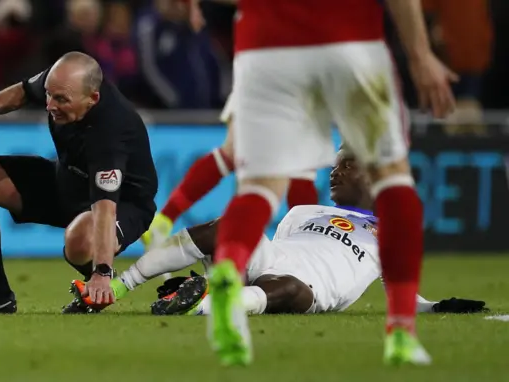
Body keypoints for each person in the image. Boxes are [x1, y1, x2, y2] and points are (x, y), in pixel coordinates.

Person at [185, 0, 458, 366]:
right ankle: (401, 330)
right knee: (393, 183)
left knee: (259, 186)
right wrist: (421, 55)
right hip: (348, 41)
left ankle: (229, 275)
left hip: (268, 46)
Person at [70, 149, 487, 318]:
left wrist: (438, 307)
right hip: (274, 261)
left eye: (347, 165)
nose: (334, 171)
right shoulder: (306, 210)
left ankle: (204, 301)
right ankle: (118, 288)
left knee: (284, 288)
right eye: (336, 163)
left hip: (312, 287)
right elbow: (268, 246)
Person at [0, 52, 158, 314]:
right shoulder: (62, 81)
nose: (50, 105)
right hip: (65, 182)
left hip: (124, 204)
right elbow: (24, 91)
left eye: (61, 99)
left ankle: (99, 288)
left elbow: (105, 207)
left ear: (93, 98)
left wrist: (102, 271)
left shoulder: (111, 130)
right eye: (49, 95)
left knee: (79, 241)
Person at [140, 94, 319, 252]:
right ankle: (305, 247)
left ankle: (305, 246)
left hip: (272, 72)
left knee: (296, 164)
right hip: (277, 73)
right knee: (291, 163)